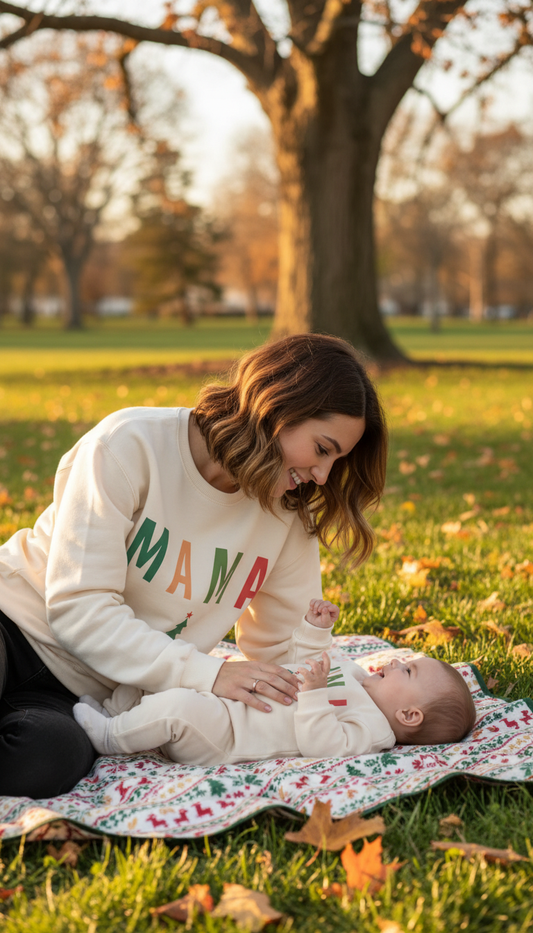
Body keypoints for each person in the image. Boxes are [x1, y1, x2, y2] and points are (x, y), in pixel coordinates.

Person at [0, 334, 387, 797]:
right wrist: (209, 674)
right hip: (14, 623)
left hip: (82, 696)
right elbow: (78, 608)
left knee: (49, 760)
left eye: (336, 461)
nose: (323, 476)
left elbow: (283, 648)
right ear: (277, 407)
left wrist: (369, 699)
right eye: (322, 449)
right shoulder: (129, 444)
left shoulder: (286, 515)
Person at [73, 599, 477, 763]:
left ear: (408, 715)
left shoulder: (373, 732)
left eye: (407, 671)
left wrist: (316, 696)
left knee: (179, 709)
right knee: (167, 676)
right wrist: (315, 630)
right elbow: (308, 661)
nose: (394, 662)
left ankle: (111, 737)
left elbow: (324, 746)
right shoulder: (355, 674)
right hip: (234, 700)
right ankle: (117, 709)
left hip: (227, 734)